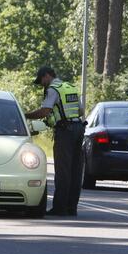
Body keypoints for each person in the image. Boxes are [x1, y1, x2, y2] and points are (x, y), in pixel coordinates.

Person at [24, 66, 84, 216]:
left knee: (63, 171)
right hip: (78, 128)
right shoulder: (70, 87)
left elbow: (45, 111)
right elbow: (81, 111)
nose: (42, 84)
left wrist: (25, 115)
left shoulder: (53, 89)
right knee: (75, 171)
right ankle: (72, 207)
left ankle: (59, 208)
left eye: (41, 80)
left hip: (65, 132)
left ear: (47, 76)